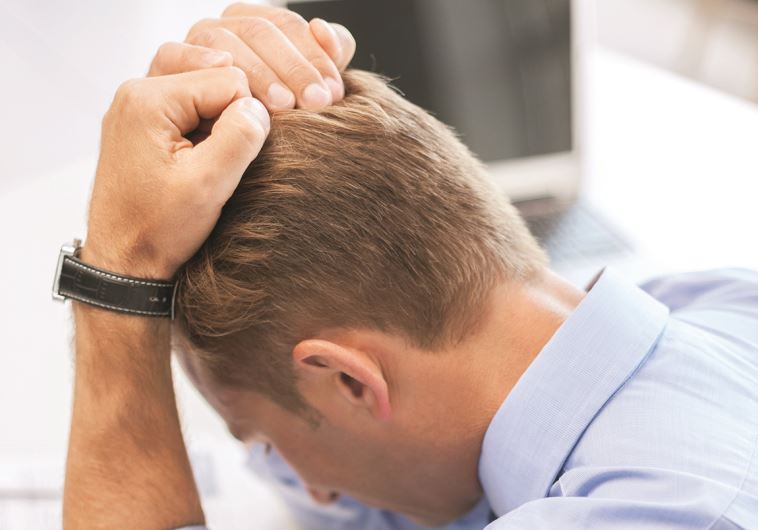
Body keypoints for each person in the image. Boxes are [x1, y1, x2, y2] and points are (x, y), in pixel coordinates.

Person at [62, 4, 758, 530]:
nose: (317, 494)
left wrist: (119, 271)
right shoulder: (715, 306)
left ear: (350, 381)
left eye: (269, 443)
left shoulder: (649, 515)